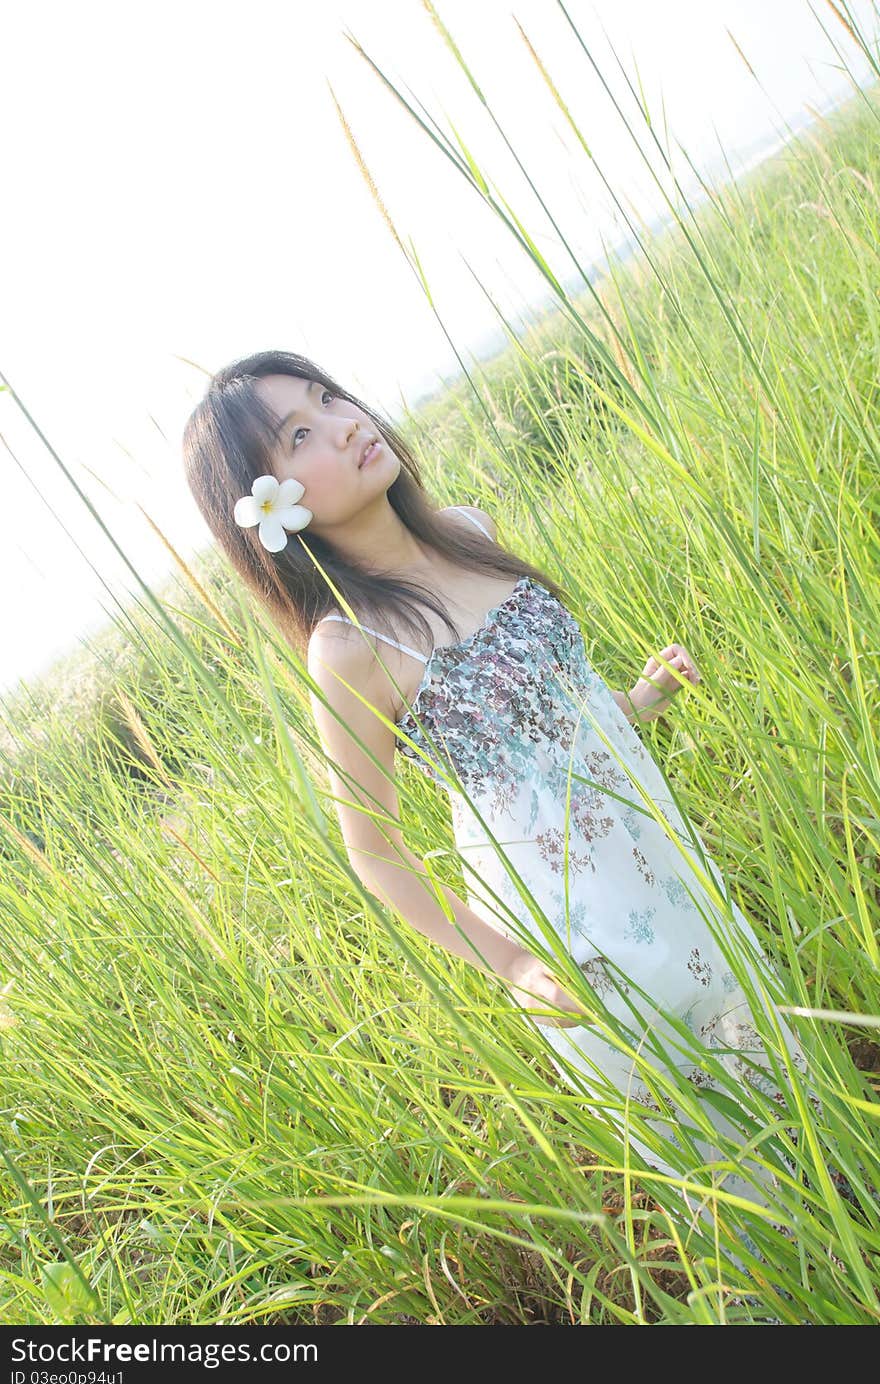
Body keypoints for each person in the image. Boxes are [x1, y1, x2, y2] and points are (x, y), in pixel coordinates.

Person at [182, 348, 835, 1272]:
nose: (344, 420)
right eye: (299, 432)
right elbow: (373, 850)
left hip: (659, 857)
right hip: (578, 925)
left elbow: (547, 715)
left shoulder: (465, 528)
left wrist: (638, 701)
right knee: (724, 1155)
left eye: (331, 398)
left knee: (776, 1064)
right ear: (268, 507)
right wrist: (516, 963)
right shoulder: (352, 645)